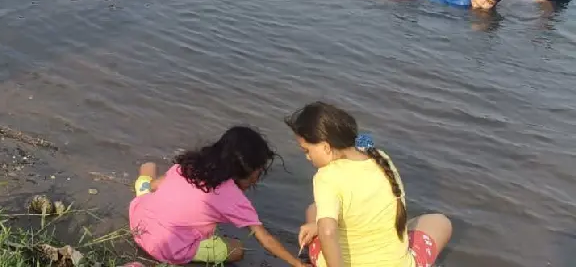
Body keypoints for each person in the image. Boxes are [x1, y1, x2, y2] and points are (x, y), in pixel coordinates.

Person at [287, 102, 454, 267]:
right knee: (440, 221)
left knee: (313, 210)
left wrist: (319, 227)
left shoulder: (326, 177)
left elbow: (328, 231)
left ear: (326, 147)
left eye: (307, 150)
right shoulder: (381, 159)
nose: (308, 157)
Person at [130, 127, 308, 267]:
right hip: (165, 248)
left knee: (149, 179)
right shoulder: (233, 198)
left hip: (139, 223)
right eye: (259, 170)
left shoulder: (189, 165)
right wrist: (298, 264)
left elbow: (158, 186)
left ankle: (145, 169)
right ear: (251, 170)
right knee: (237, 250)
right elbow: (266, 239)